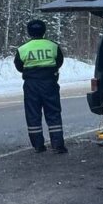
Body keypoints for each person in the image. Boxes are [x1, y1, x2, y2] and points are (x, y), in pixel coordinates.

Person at [13, 19, 66, 154]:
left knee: (33, 114)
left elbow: (19, 66)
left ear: (29, 32)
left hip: (31, 84)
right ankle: (58, 144)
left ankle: (38, 145)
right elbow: (59, 61)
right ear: (44, 30)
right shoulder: (53, 46)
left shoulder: (23, 49)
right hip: (49, 83)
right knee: (53, 112)